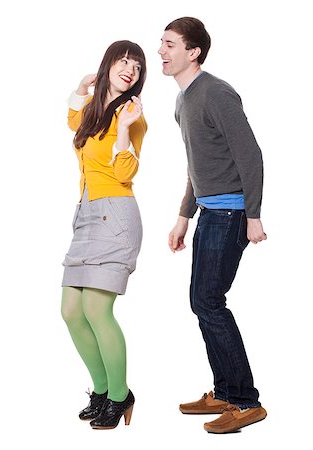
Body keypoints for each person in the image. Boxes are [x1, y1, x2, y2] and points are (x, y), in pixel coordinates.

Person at [159, 17, 267, 434]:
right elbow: (196, 164)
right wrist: (184, 215)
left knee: (208, 301)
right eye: (161, 43)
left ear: (193, 52)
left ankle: (245, 401)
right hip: (209, 212)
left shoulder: (217, 93)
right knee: (203, 301)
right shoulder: (182, 100)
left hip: (231, 213)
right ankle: (226, 392)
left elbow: (251, 156)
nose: (162, 52)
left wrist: (253, 215)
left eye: (170, 45)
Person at [60, 40, 147, 430]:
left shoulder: (132, 115)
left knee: (97, 309)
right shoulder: (95, 112)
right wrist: (81, 89)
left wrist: (126, 132)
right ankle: (102, 391)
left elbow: (126, 173)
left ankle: (119, 395)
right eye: (124, 61)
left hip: (116, 215)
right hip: (86, 213)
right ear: (108, 64)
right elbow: (73, 125)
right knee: (70, 311)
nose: (130, 69)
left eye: (137, 65)